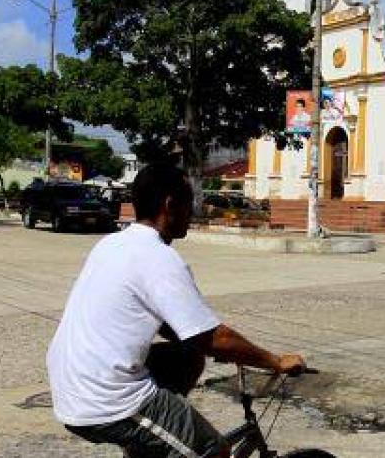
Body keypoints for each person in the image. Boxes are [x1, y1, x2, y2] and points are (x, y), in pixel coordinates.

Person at [47, 163, 305, 458]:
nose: (192, 212)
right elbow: (213, 337)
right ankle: (160, 432)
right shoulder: (159, 258)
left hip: (73, 382)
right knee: (213, 449)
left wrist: (216, 347)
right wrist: (276, 361)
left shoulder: (113, 244)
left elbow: (179, 330)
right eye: (189, 203)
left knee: (189, 357)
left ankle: (154, 442)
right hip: (107, 399)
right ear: (170, 205)